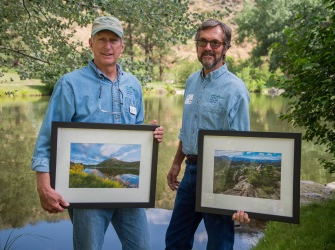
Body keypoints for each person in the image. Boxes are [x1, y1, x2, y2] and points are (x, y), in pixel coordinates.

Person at [31, 16, 164, 250]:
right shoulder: (70, 84)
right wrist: (43, 184)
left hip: (129, 195)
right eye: (101, 39)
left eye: (113, 40)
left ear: (122, 46)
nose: (108, 46)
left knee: (141, 246)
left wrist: (151, 137)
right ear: (90, 43)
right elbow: (47, 139)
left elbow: (136, 134)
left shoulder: (133, 85)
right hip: (85, 196)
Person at [165, 19, 250, 249]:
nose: (208, 48)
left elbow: (241, 146)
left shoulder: (235, 89)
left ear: (226, 47)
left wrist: (238, 194)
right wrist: (176, 164)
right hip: (190, 173)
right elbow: (187, 129)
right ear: (197, 45)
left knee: (218, 244)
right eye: (203, 41)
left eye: (215, 42)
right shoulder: (192, 81)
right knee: (175, 241)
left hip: (219, 175)